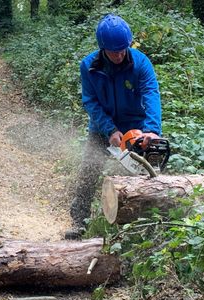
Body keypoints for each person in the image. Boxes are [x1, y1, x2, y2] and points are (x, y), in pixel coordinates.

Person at [65, 14, 162, 240]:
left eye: (122, 49)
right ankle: (80, 221)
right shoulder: (89, 66)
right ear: (102, 48)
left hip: (136, 129)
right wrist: (109, 130)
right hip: (102, 128)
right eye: (113, 51)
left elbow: (151, 94)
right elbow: (90, 101)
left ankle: (142, 227)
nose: (118, 55)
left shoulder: (140, 63)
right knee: (88, 172)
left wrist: (151, 129)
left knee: (144, 176)